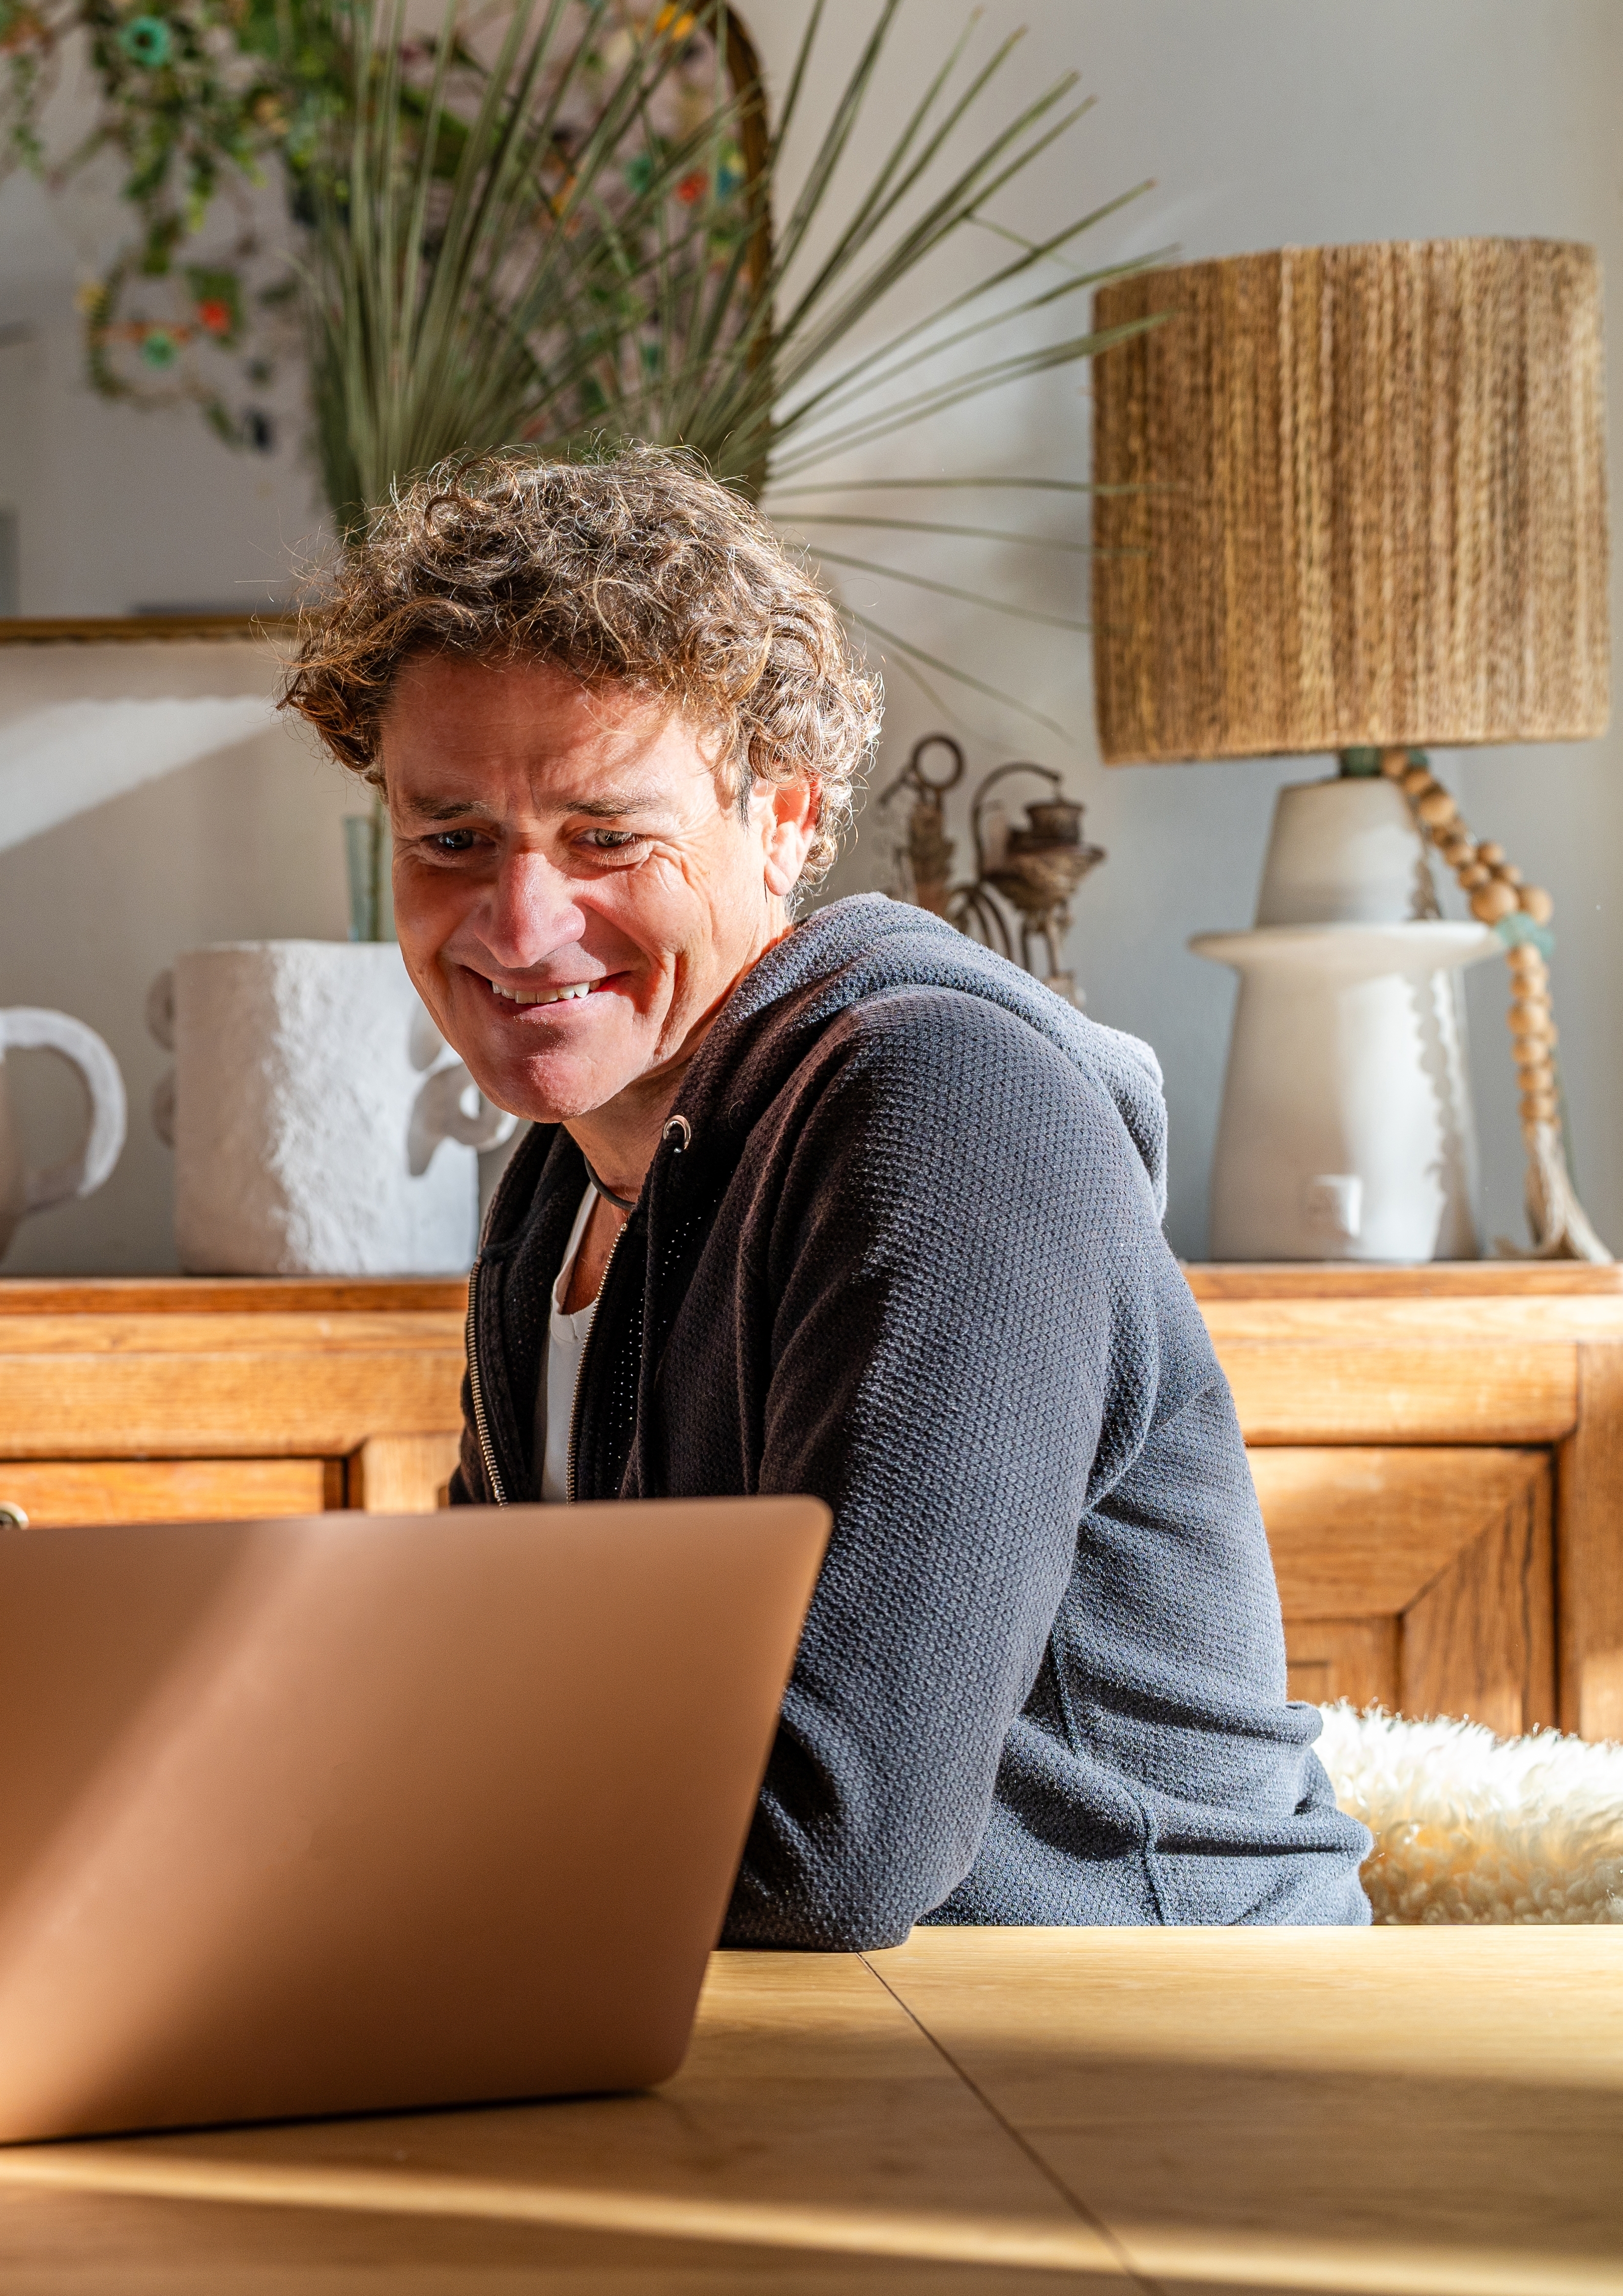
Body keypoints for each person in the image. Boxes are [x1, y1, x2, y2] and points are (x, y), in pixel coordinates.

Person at [282, 448, 1371, 1947]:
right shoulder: (559, 1186)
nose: (521, 927)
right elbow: (473, 1696)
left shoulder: (945, 1110)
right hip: (814, 2040)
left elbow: (823, 1842)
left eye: (608, 837)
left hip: (1148, 2067)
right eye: (451, 840)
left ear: (786, 816)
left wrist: (219, 1878)